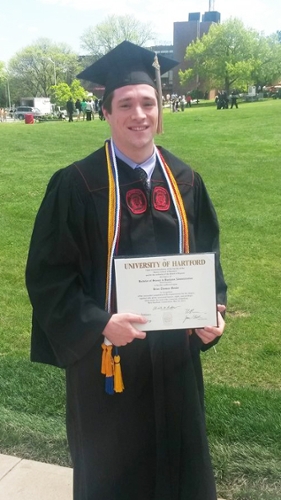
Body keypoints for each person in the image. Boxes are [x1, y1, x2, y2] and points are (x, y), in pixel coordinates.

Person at [26, 40, 227, 500]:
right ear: (107, 111)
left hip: (175, 362)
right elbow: (48, 277)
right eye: (126, 104)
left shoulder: (186, 179)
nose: (139, 114)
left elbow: (209, 257)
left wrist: (213, 311)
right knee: (112, 476)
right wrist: (99, 325)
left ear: (160, 110)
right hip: (108, 366)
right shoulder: (77, 185)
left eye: (148, 103)